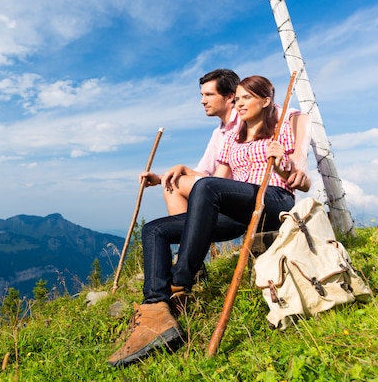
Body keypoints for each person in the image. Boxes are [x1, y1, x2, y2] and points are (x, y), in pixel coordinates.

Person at [108, 75, 311, 367]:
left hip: (274, 199)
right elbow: (217, 183)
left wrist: (283, 165)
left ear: (266, 100)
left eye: (246, 98)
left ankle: (180, 283)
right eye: (237, 98)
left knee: (205, 188)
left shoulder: (288, 122)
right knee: (155, 230)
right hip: (240, 208)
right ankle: (155, 310)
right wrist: (169, 176)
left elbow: (301, 181)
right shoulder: (233, 136)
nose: (239, 104)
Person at [141, 69, 310, 215]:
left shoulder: (253, 115)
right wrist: (160, 178)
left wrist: (299, 157)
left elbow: (300, 117)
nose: (203, 101)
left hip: (262, 192)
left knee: (193, 187)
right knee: (172, 185)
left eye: (209, 95)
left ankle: (190, 244)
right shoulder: (220, 134)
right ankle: (185, 243)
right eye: (202, 95)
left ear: (230, 97)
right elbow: (208, 177)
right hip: (226, 189)